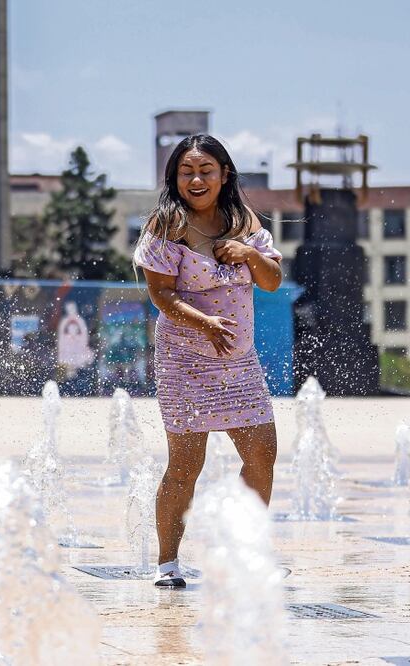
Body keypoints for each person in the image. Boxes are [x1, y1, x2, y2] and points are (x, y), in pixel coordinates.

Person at [132, 135, 283, 588]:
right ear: (174, 178)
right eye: (186, 172)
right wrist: (205, 324)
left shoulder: (243, 221)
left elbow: (273, 282)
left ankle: (243, 549)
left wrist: (250, 253)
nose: (196, 179)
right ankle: (167, 565)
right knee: (185, 463)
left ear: (224, 175)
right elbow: (161, 293)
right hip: (185, 359)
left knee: (262, 453)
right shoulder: (167, 224)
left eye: (206, 170)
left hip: (238, 361)